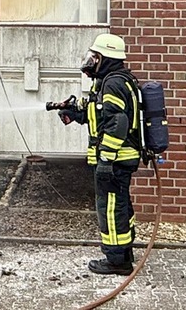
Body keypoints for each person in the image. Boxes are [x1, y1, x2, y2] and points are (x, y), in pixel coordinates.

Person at [54, 33, 142, 276]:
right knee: (120, 204)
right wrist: (74, 113)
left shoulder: (112, 83)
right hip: (119, 159)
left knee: (110, 208)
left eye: (95, 57)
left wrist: (106, 158)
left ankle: (116, 261)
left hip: (115, 160)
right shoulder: (110, 81)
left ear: (106, 58)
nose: (90, 61)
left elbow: (118, 122)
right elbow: (100, 115)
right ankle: (124, 251)